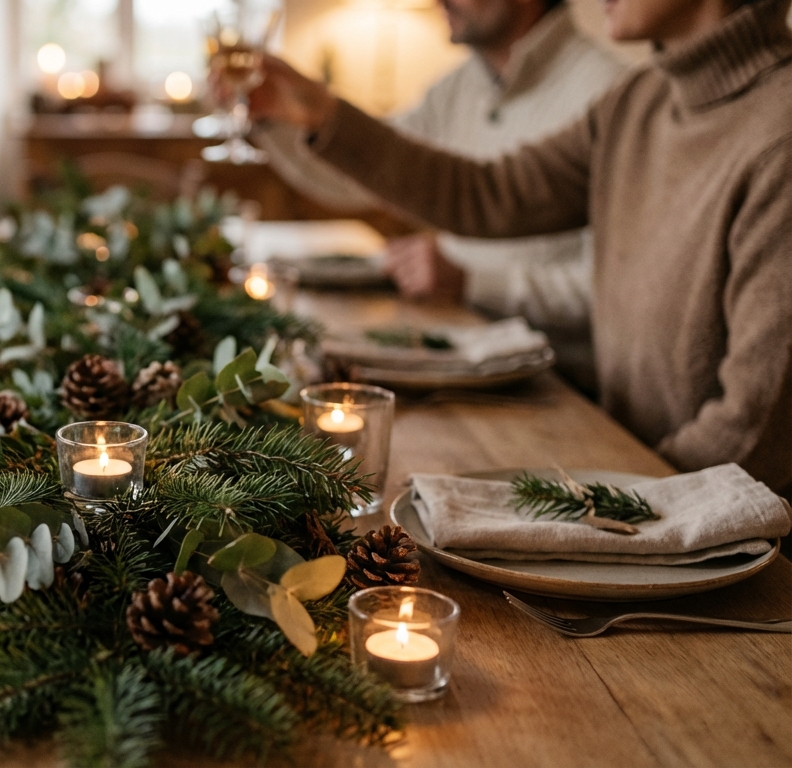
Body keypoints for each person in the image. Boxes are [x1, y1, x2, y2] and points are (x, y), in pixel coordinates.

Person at [250, 0, 792, 493]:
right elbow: (487, 193)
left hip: (702, 530)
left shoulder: (777, 136)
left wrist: (613, 503)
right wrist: (324, 115)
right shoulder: (638, 100)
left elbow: (751, 431)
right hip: (630, 473)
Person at [262, 0, 626, 394]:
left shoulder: (606, 94)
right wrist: (275, 121)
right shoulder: (460, 86)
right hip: (453, 354)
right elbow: (367, 178)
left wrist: (475, 281)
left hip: (558, 389)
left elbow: (614, 291)